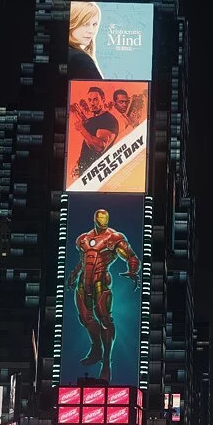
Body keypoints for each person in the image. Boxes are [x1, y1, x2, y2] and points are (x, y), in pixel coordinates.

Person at [65, 209, 141, 381]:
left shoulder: (113, 237)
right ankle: (96, 349)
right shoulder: (83, 238)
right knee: (85, 318)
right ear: (95, 218)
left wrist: (132, 270)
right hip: (83, 282)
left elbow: (131, 256)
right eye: (100, 217)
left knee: (105, 319)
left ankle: (106, 362)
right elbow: (83, 261)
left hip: (101, 281)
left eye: (105, 217)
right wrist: (73, 275)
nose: (103, 219)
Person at [69, 87, 121, 182]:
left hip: (98, 174)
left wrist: (81, 129)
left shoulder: (109, 120)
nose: (92, 103)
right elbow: (87, 146)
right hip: (84, 172)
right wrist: (78, 164)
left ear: (103, 100)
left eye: (95, 99)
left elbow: (99, 147)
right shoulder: (92, 120)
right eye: (89, 100)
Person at [67, 2, 103, 80]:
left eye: (94, 24)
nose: (91, 31)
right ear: (72, 23)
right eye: (85, 24)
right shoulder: (79, 59)